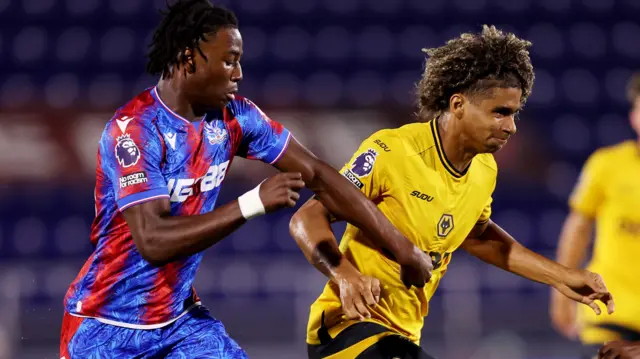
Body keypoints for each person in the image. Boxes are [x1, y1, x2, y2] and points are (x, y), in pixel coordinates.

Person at [59, 1, 433, 358]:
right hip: (104, 326)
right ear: (190, 57)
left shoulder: (235, 117)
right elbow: (153, 241)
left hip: (179, 322)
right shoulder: (134, 131)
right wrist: (251, 203)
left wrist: (399, 245)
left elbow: (317, 173)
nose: (238, 74)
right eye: (229, 61)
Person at [289, 25, 616, 359]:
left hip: (402, 337)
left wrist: (561, 277)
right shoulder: (393, 151)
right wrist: (345, 276)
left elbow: (479, 237)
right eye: (500, 112)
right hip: (347, 328)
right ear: (458, 104)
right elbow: (308, 217)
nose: (510, 126)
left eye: (514, 114)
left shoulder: (484, 170)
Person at [551, 72, 640, 359]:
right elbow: (577, 229)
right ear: (633, 116)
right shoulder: (607, 165)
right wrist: (562, 293)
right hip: (612, 315)